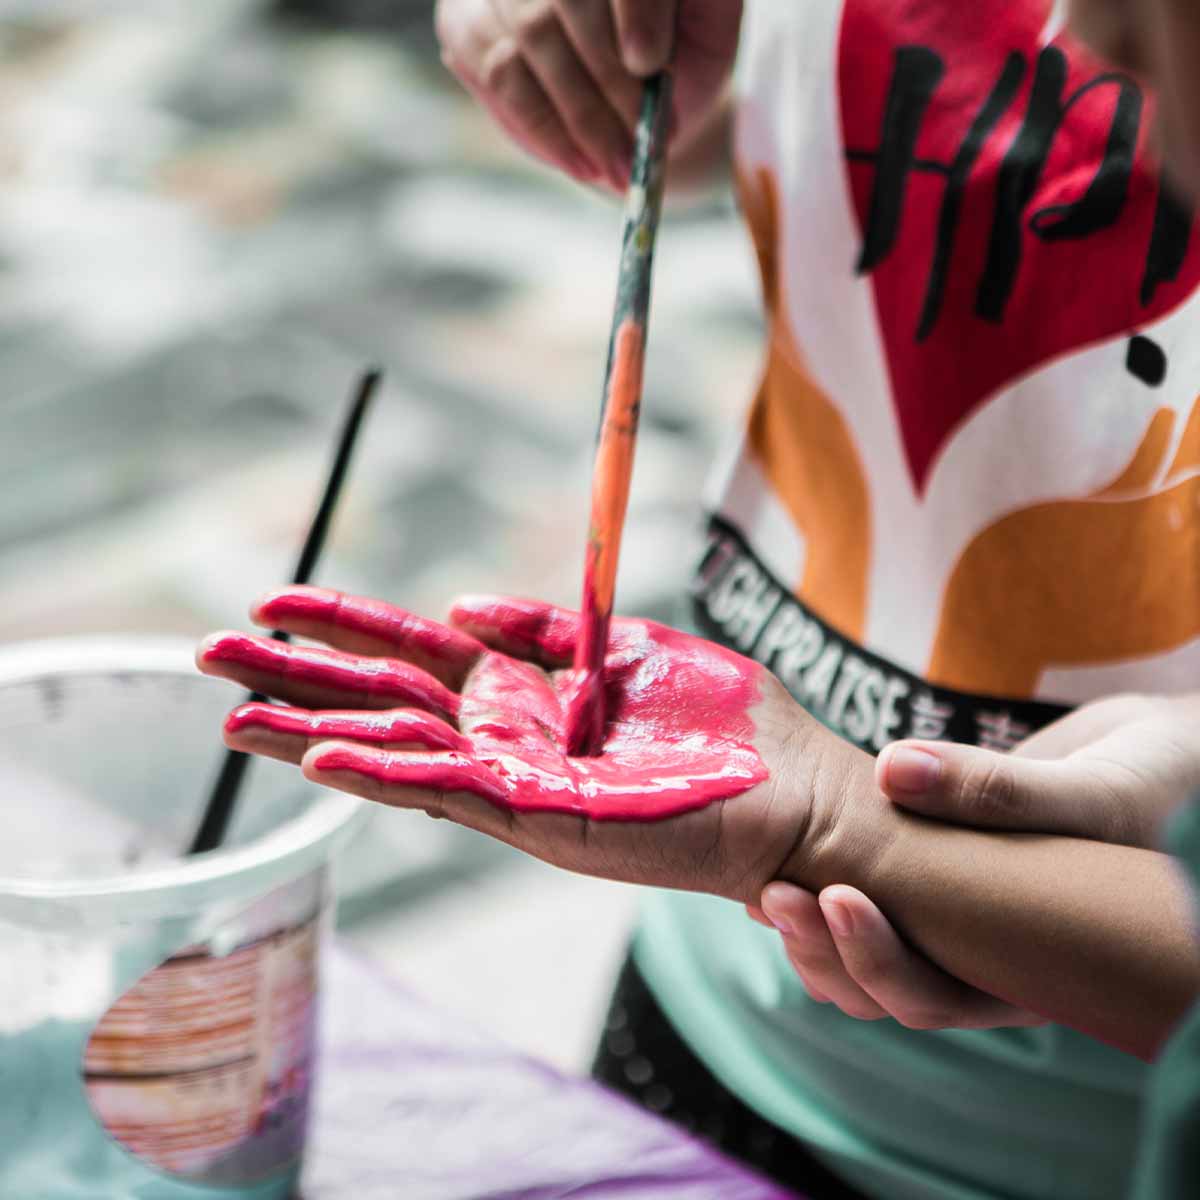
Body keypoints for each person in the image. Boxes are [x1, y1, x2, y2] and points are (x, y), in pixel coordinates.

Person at [198, 2, 1200, 1197]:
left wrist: (846, 829)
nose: (1072, 32)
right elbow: (784, 112)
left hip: (1092, 1131)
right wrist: (600, 61)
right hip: (715, 987)